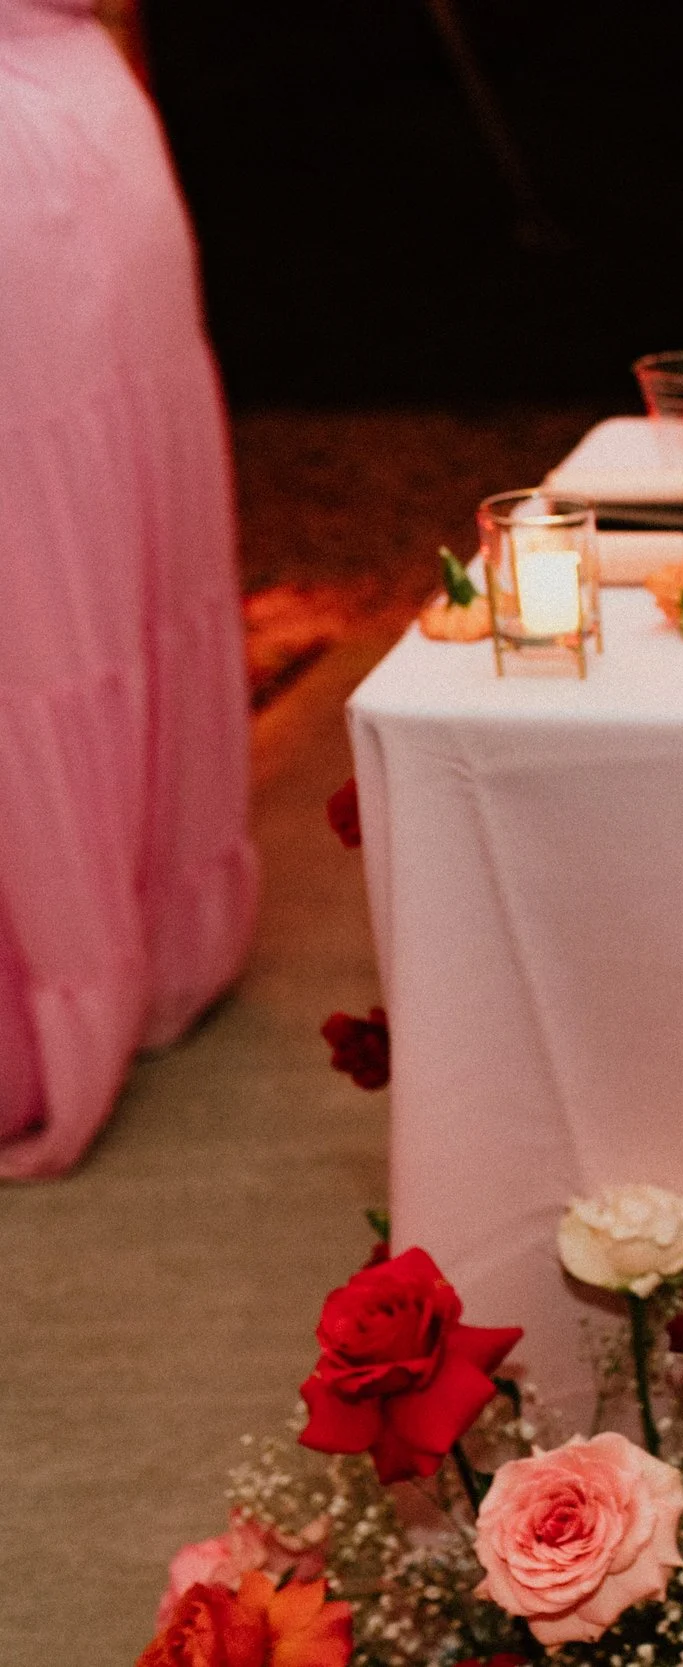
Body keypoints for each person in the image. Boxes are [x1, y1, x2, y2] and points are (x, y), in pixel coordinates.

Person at [0, 0, 257, 1175]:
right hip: (91, 120)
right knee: (88, 566)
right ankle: (134, 930)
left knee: (46, 586)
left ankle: (60, 977)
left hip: (36, 157)